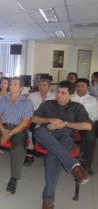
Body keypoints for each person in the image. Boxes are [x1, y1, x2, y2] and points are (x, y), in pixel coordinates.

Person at [32, 81, 91, 209]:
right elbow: (34, 119)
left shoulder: (77, 107)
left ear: (71, 95)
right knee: (39, 131)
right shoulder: (47, 104)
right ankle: (74, 166)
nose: (59, 95)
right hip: (46, 135)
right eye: (58, 91)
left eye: (63, 93)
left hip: (66, 138)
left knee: (52, 155)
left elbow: (88, 125)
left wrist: (65, 123)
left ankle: (48, 201)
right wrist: (50, 120)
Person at [0, 77, 34, 195]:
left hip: (18, 129)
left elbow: (25, 122)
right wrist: (4, 130)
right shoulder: (2, 100)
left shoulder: (27, 102)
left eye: (14, 84)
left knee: (18, 149)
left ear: (21, 88)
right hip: (2, 127)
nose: (11, 86)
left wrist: (10, 133)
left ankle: (14, 179)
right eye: (10, 84)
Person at [24, 79, 55, 166]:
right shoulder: (32, 96)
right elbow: (28, 109)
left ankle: (49, 152)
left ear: (49, 87)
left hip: (49, 118)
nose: (41, 87)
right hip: (35, 117)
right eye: (40, 85)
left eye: (44, 85)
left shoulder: (54, 96)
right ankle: (30, 152)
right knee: (30, 131)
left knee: (51, 132)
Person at [72, 78, 98, 175]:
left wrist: (83, 123)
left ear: (87, 87)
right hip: (71, 123)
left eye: (82, 86)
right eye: (77, 86)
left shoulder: (92, 100)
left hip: (86, 123)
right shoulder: (70, 97)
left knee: (91, 137)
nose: (80, 88)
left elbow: (94, 116)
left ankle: (86, 164)